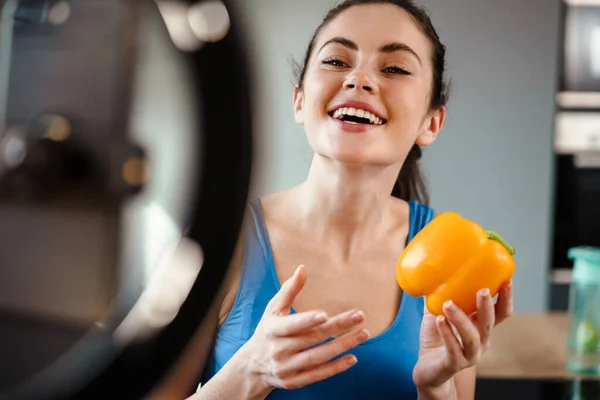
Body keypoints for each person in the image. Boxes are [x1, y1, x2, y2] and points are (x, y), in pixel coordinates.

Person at [149, 0, 514, 399]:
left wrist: (436, 387)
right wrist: (248, 370)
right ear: (300, 101)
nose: (359, 79)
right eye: (337, 61)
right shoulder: (223, 240)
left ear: (432, 122)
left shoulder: (456, 254)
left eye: (394, 68)